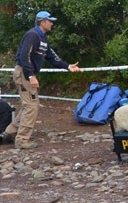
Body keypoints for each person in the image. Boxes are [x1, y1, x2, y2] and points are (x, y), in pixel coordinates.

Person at [4, 11, 81, 150]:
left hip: (26, 73)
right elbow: (23, 56)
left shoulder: (43, 38)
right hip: (24, 73)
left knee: (29, 104)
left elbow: (52, 57)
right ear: (42, 21)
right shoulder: (32, 35)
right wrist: (31, 75)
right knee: (31, 106)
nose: (52, 23)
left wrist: (68, 66)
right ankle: (21, 140)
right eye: (50, 21)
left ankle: (10, 132)